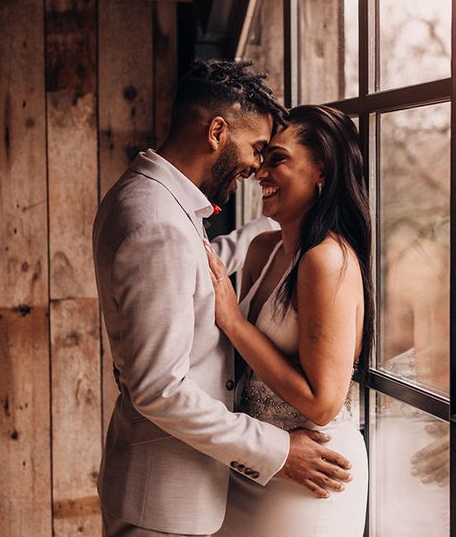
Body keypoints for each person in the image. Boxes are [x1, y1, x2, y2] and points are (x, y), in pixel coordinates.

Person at [93, 62, 352, 537]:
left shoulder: (152, 200)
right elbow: (160, 389)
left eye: (273, 157)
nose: (257, 168)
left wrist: (285, 222)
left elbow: (204, 264)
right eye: (257, 149)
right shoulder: (158, 222)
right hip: (165, 499)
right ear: (216, 131)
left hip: (182, 488)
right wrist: (277, 451)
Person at [207, 105, 374, 537]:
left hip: (310, 473)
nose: (261, 172)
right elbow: (239, 363)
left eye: (277, 159)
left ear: (322, 170)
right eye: (261, 159)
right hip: (256, 459)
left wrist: (233, 321)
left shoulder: (326, 260)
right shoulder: (262, 248)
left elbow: (323, 402)